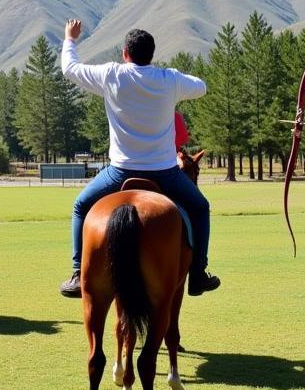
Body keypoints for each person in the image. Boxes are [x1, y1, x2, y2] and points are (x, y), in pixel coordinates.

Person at [59, 19, 219, 298]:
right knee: (200, 208)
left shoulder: (112, 75)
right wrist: (174, 78)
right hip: (165, 173)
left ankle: (77, 272)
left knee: (81, 205)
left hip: (120, 172)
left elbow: (69, 69)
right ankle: (197, 274)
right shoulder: (168, 79)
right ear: (151, 55)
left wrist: (70, 39)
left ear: (125, 54)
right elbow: (202, 86)